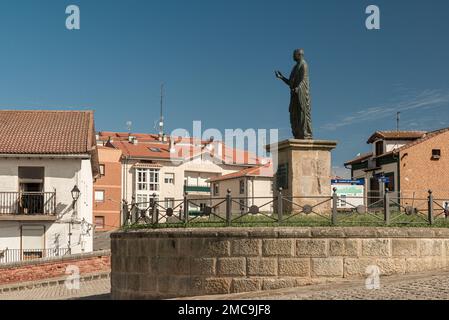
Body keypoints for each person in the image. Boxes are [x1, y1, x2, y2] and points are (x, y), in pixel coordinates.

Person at [275, 48, 313, 140]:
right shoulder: (295, 67)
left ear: (299, 55)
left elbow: (304, 80)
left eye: (294, 54)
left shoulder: (304, 64)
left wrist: (298, 88)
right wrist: (281, 77)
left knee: (302, 114)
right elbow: (291, 83)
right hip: (294, 95)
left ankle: (306, 133)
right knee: (294, 115)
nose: (293, 56)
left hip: (301, 95)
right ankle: (298, 133)